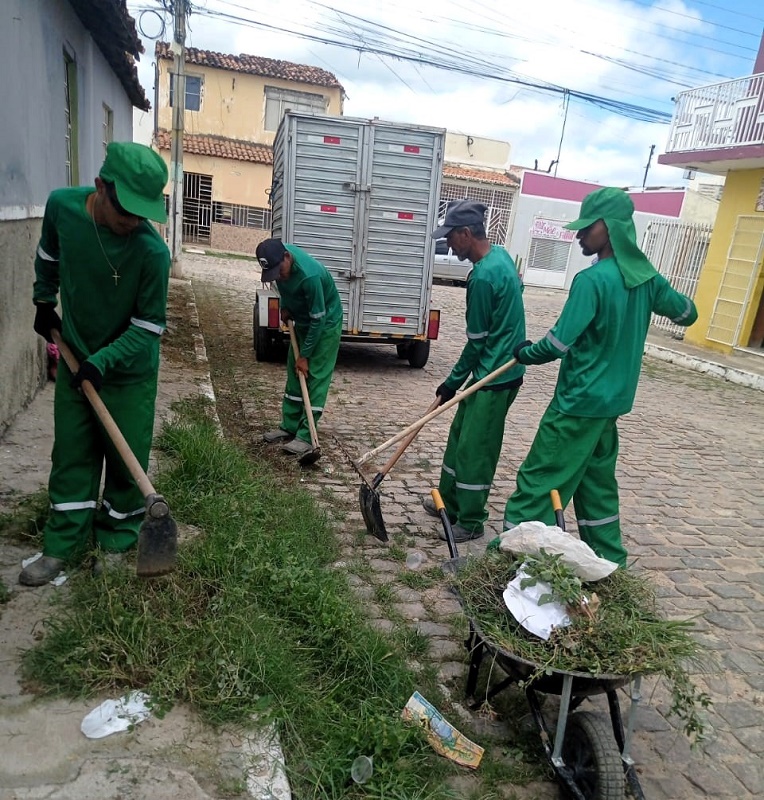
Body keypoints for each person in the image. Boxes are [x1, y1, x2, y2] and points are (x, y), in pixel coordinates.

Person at [501, 186, 698, 567]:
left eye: (586, 228)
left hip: (577, 404)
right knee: (597, 488)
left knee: (538, 482)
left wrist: (524, 352)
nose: (578, 236)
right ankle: (611, 562)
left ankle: (510, 558)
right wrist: (657, 291)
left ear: (608, 227)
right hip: (611, 406)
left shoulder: (591, 281)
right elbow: (687, 314)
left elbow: (557, 345)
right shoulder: (647, 280)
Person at [20, 142, 171, 586]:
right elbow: (48, 256)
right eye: (127, 212)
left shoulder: (151, 254)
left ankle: (117, 543)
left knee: (126, 466)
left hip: (128, 373)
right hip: (75, 356)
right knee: (71, 453)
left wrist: (102, 361)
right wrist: (43, 300)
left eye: (143, 214)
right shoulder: (62, 207)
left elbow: (147, 327)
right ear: (101, 186)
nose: (134, 223)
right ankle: (61, 545)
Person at [422, 200, 526, 543]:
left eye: (451, 238)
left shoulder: (482, 277)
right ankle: (449, 504)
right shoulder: (502, 257)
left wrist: (451, 382)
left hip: (495, 377)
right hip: (487, 371)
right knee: (458, 439)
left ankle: (471, 519)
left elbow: (476, 344)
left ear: (466, 234)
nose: (449, 245)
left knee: (475, 450)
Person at [257, 239, 343, 457]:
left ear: (287, 257)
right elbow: (285, 289)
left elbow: (319, 319)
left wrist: (305, 355)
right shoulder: (279, 265)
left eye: (280, 270)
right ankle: (289, 426)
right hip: (303, 321)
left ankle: (306, 435)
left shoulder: (309, 276)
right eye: (273, 273)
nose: (279, 275)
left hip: (325, 324)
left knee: (314, 375)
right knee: (294, 373)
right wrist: (286, 307)